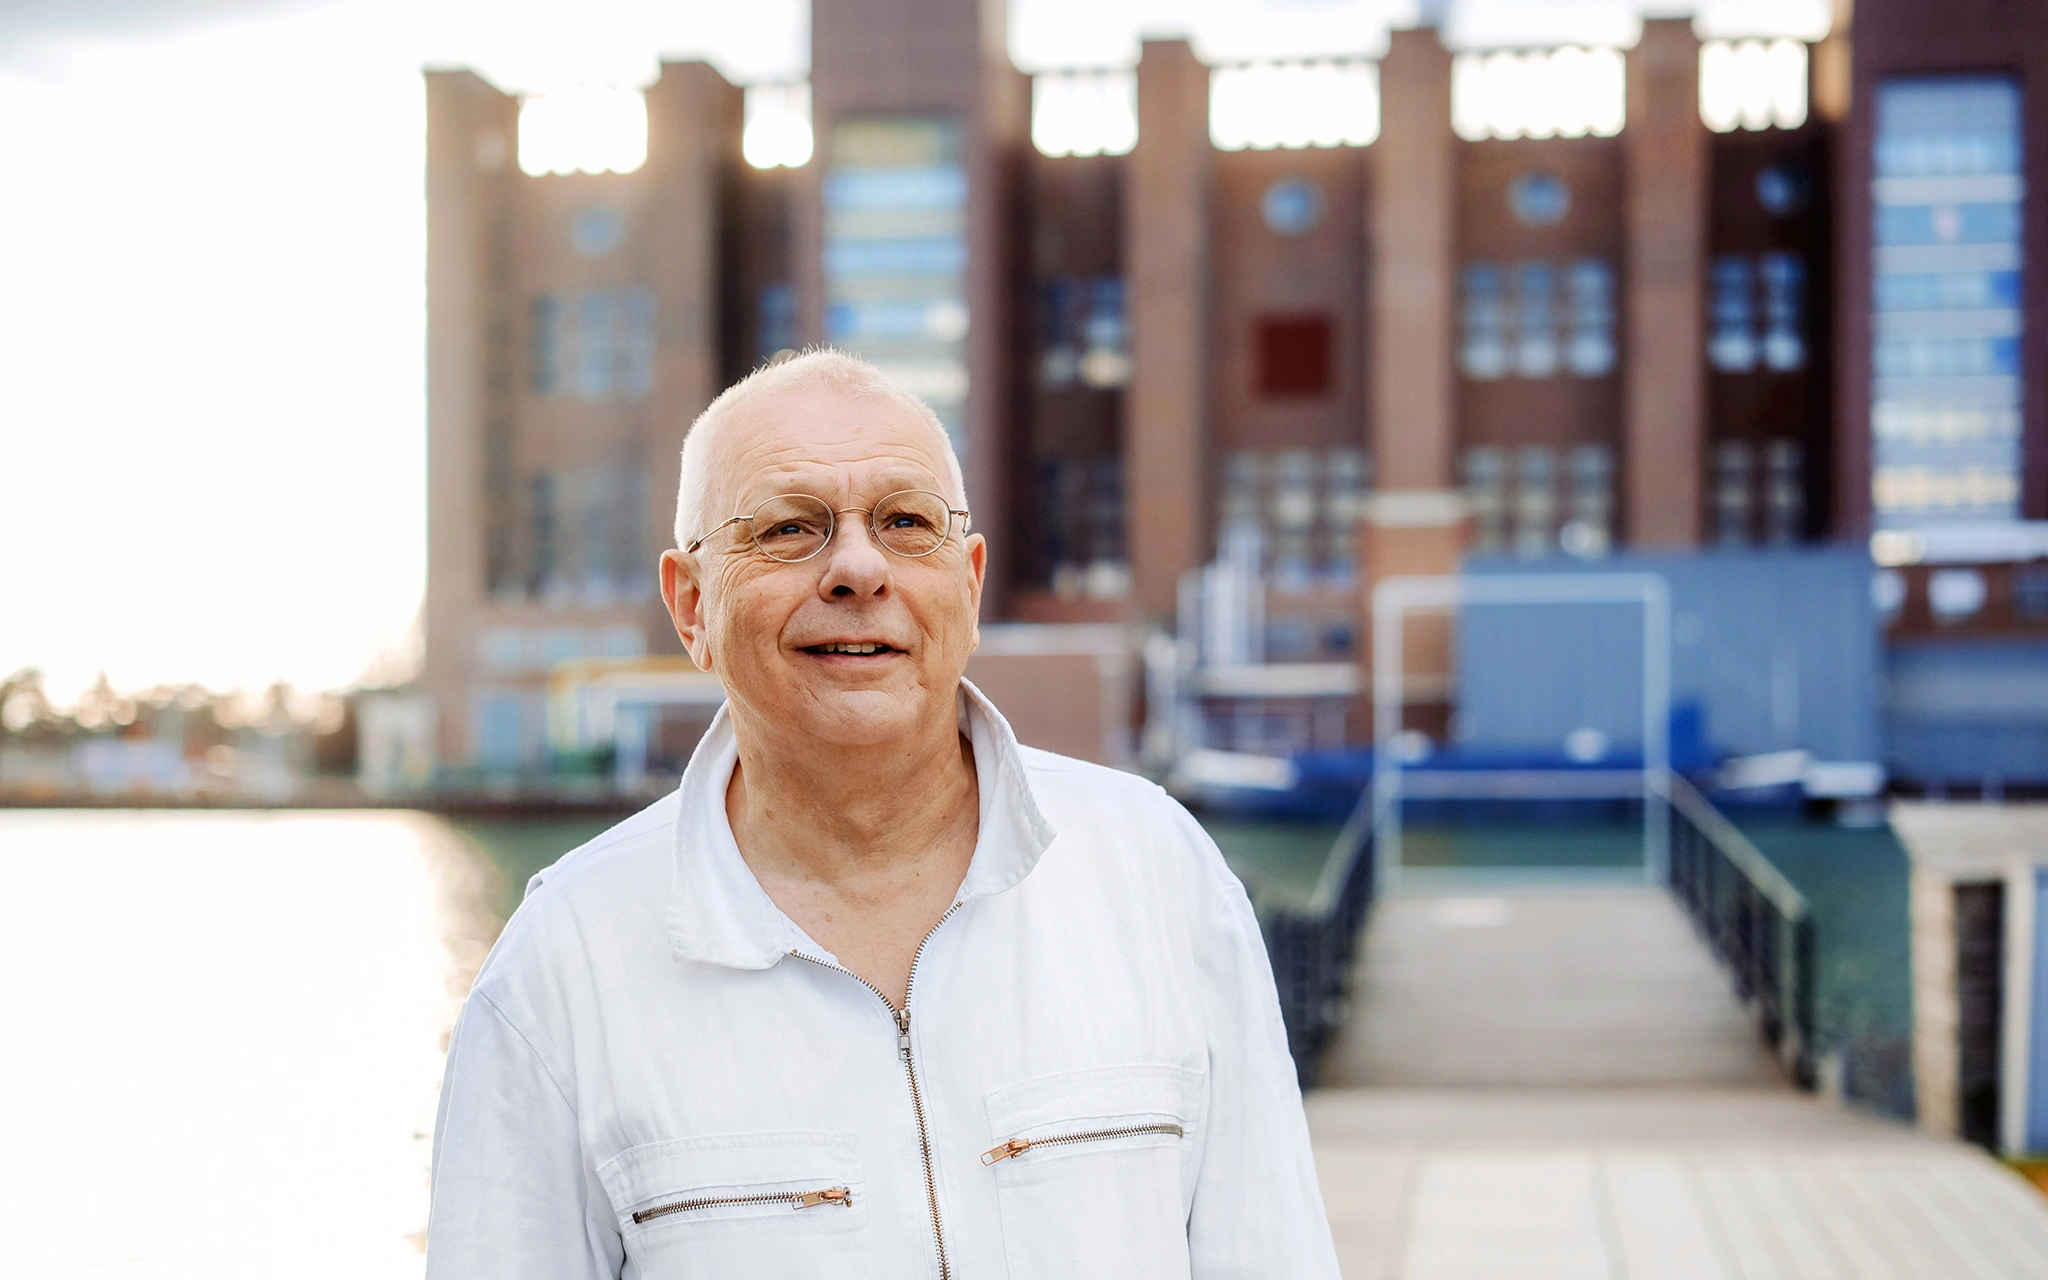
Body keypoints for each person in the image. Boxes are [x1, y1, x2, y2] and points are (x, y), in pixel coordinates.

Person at [426, 350, 1339, 1278]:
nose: (859, 569)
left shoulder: (1156, 873)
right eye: (789, 527)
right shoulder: (564, 964)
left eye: (906, 522)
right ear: (692, 605)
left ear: (969, 587)